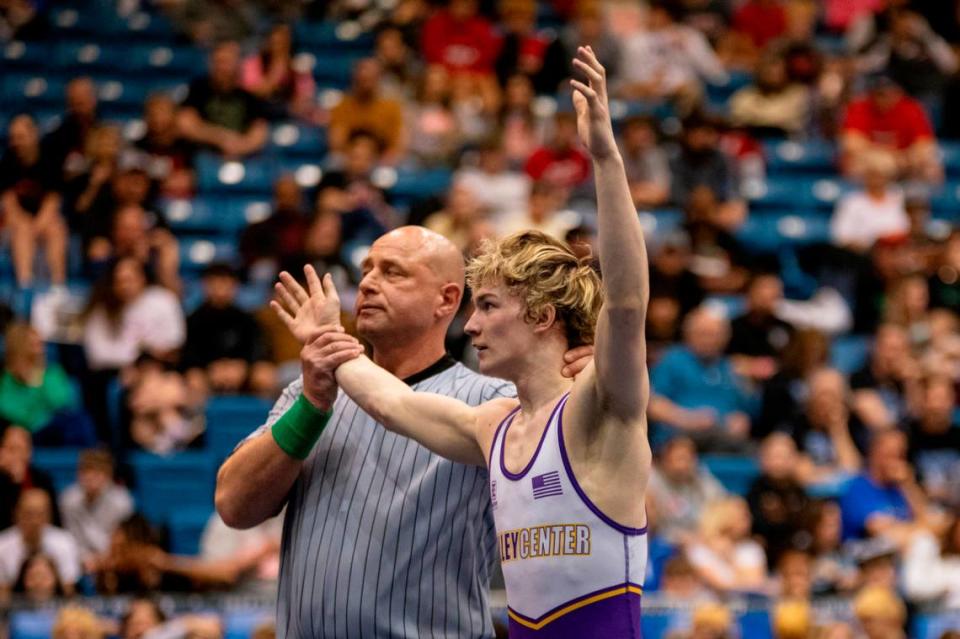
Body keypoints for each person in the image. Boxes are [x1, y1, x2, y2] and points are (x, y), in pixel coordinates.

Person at [283, 47, 651, 636]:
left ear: (539, 317)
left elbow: (627, 305)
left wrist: (605, 157)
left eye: (487, 306)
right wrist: (327, 336)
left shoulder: (599, 408)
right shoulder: (492, 427)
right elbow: (391, 403)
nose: (470, 325)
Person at [218, 218, 591, 632]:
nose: (367, 284)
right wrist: (314, 404)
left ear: (446, 300)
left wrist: (578, 366)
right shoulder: (309, 391)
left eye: (392, 272)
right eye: (366, 271)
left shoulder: (493, 403)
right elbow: (234, 505)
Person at [1, 114, 68, 291]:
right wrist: (24, 224)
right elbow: (9, 203)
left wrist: (37, 226)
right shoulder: (7, 161)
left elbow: (52, 201)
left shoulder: (50, 160)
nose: (16, 142)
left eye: (21, 137)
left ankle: (58, 287)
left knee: (56, 227)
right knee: (22, 229)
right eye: (13, 138)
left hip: (44, 220)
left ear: (34, 134)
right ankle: (26, 286)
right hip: (15, 224)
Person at [178, 41, 269, 158]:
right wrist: (221, 138)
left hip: (243, 158)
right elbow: (185, 123)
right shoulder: (198, 89)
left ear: (238, 65)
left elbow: (260, 132)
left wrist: (240, 146)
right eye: (218, 62)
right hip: (204, 156)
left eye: (227, 62)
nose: (222, 67)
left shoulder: (249, 96)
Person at [58, 449, 134, 563]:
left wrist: (103, 559)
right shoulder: (68, 500)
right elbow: (70, 538)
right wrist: (86, 558)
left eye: (97, 473)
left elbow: (122, 540)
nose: (90, 478)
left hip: (113, 558)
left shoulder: (122, 502)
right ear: (78, 474)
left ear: (108, 475)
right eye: (86, 472)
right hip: (78, 559)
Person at [0, 488, 80, 595]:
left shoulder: (64, 542)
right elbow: (3, 594)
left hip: (55, 608)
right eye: (28, 514)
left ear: (49, 516)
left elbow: (68, 590)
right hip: (15, 608)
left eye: (40, 514)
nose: (34, 521)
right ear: (16, 514)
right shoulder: (2, 545)